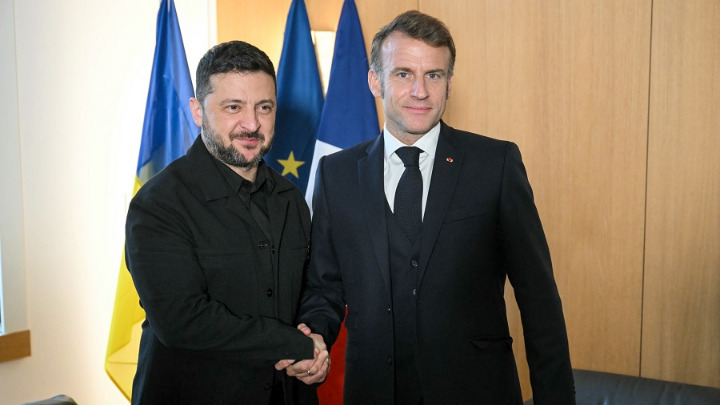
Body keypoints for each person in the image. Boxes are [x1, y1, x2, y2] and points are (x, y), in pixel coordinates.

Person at [288, 10, 576, 404]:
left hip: (477, 392)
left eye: (434, 75)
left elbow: (538, 299)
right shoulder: (336, 173)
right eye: (403, 74)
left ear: (449, 83)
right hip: (372, 392)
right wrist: (314, 332)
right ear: (375, 81)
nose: (420, 91)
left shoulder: (495, 165)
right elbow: (325, 286)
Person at [125, 40, 329, 405]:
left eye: (264, 107)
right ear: (198, 111)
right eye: (233, 107)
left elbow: (313, 288)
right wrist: (294, 344)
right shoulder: (158, 205)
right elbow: (181, 320)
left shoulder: (291, 198)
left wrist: (315, 340)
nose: (252, 124)